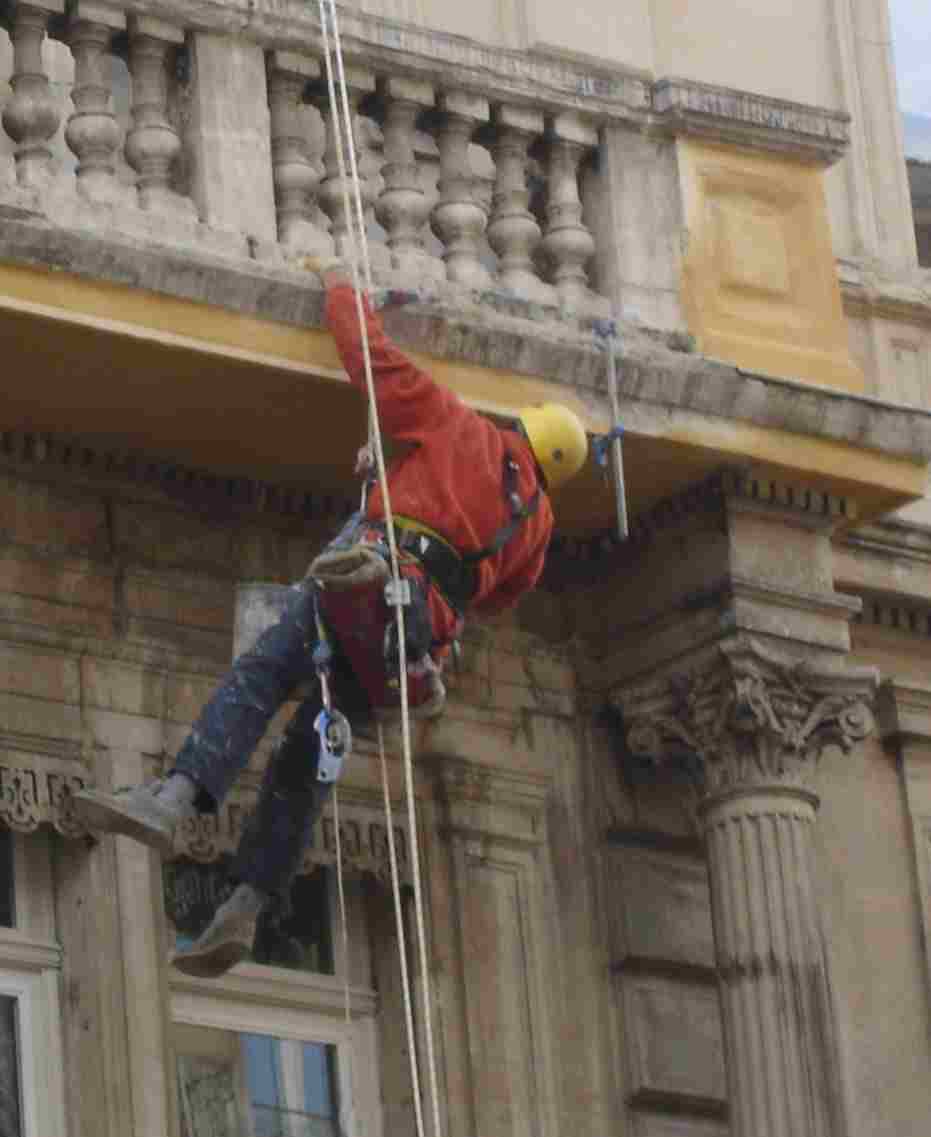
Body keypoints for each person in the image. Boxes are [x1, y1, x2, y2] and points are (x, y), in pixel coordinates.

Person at [73, 259, 588, 978]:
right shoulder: (533, 527)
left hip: (375, 582)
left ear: (520, 428)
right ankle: (246, 903)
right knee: (309, 757)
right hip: (404, 647)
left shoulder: (463, 430)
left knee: (263, 669)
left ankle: (173, 797)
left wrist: (342, 287)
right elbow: (500, 597)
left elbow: (369, 359)